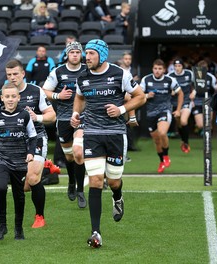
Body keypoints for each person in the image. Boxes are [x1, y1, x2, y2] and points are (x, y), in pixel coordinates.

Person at [70, 39, 146, 247]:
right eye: (87, 54)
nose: (87, 57)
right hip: (92, 133)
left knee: (113, 181)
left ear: (102, 55)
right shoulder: (82, 76)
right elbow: (79, 97)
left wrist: (121, 110)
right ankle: (96, 232)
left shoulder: (120, 74)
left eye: (92, 54)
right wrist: (76, 114)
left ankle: (118, 197)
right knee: (95, 180)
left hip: (115, 134)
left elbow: (140, 97)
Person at [0, 59, 56, 228]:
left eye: (15, 74)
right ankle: (46, 164)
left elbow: (52, 115)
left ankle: (39, 216)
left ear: (23, 74)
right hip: (13, 144)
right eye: (9, 75)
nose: (12, 77)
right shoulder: (1, 95)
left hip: (35, 138)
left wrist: (37, 117)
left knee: (33, 177)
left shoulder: (36, 91)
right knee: (24, 187)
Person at [0, 83, 37, 240]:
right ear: (2, 98)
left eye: (13, 96)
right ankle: (2, 226)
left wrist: (31, 153)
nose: (10, 100)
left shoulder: (24, 116)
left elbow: (33, 137)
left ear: (18, 98)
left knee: (19, 195)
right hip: (2, 159)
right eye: (7, 97)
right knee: (1, 188)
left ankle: (18, 228)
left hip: (20, 161)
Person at [43, 41, 87, 208]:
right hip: (63, 119)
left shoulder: (87, 70)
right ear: (67, 55)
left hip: (82, 117)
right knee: (69, 156)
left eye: (77, 52)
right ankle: (71, 181)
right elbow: (45, 90)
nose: (75, 55)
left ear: (81, 54)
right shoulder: (58, 71)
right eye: (72, 52)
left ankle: (81, 190)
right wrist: (57, 96)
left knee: (78, 152)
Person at [140, 59, 183, 173]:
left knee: (162, 132)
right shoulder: (146, 79)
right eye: (155, 69)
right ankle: (161, 161)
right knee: (157, 140)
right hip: (150, 114)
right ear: (152, 69)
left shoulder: (170, 80)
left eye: (160, 69)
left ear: (164, 70)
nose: (157, 71)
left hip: (164, 110)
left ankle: (166, 155)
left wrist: (178, 110)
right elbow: (138, 95)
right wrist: (147, 95)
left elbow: (180, 93)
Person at [167, 59, 194, 153]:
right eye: (176, 66)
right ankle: (183, 140)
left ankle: (186, 142)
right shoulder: (170, 75)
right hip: (174, 103)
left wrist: (194, 92)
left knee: (183, 121)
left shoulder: (189, 73)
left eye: (179, 66)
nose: (177, 68)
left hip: (186, 101)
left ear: (183, 66)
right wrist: (171, 91)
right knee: (178, 123)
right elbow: (165, 88)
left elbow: (198, 84)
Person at [190, 60, 217, 136]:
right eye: (201, 68)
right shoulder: (194, 76)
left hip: (208, 101)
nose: (203, 70)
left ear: (207, 68)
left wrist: (214, 101)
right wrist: (191, 97)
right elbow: (191, 86)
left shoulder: (211, 77)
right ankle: (199, 128)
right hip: (197, 102)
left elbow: (216, 89)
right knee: (200, 125)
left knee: (208, 123)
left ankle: (208, 144)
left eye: (204, 68)